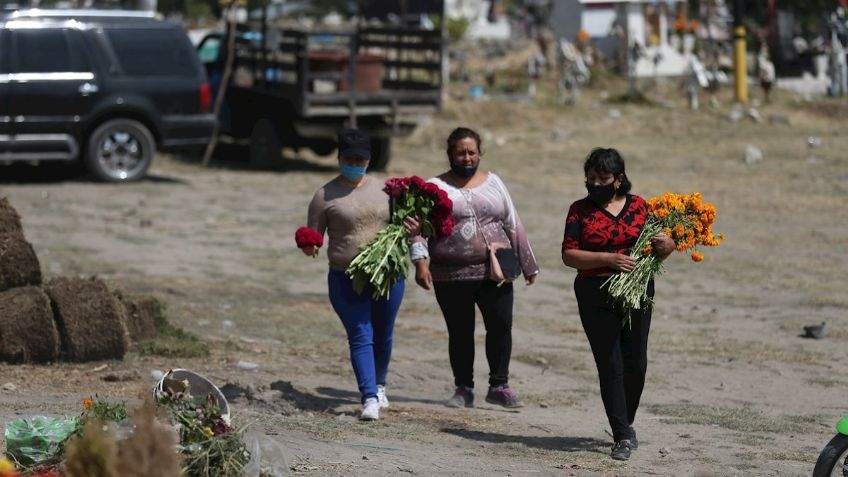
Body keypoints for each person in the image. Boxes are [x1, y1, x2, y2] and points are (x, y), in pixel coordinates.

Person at [410, 127, 539, 409]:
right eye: (460, 152)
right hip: (450, 274)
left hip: (496, 270)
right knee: (460, 331)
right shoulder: (434, 187)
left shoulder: (494, 183)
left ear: (480, 153)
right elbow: (416, 229)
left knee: (501, 326)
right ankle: (463, 388)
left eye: (472, 152)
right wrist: (420, 263)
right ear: (450, 155)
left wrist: (528, 264)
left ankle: (499, 385)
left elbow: (512, 222)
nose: (467, 158)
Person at [561, 148, 675, 461]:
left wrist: (669, 245)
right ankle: (621, 434)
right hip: (594, 292)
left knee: (635, 361)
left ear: (618, 179)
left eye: (602, 178)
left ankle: (626, 418)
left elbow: (660, 245)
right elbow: (569, 255)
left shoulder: (640, 207)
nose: (595, 184)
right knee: (609, 363)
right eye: (590, 179)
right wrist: (607, 259)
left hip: (637, 291)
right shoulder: (579, 211)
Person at [299, 128, 417, 421]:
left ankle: (380, 383)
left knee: (384, 333)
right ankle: (369, 398)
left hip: (387, 275)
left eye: (360, 159)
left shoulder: (387, 190)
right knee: (361, 334)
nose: (355, 163)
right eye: (349, 158)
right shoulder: (325, 196)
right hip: (345, 278)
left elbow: (404, 225)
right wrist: (308, 246)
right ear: (339, 158)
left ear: (368, 159)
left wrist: (414, 232)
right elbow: (313, 235)